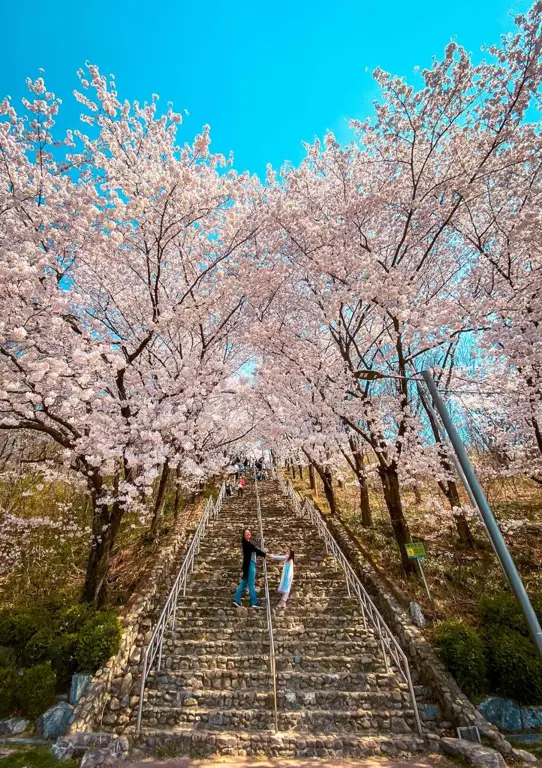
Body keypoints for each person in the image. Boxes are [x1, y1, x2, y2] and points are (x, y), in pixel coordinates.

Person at [233, 529, 266, 608]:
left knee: (244, 582)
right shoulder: (247, 544)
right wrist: (265, 555)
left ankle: (236, 600)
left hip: (247, 565)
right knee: (251, 584)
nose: (248, 534)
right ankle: (254, 602)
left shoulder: (247, 544)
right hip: (250, 565)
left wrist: (264, 554)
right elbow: (256, 550)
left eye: (249, 532)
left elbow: (255, 552)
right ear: (244, 535)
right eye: (246, 533)